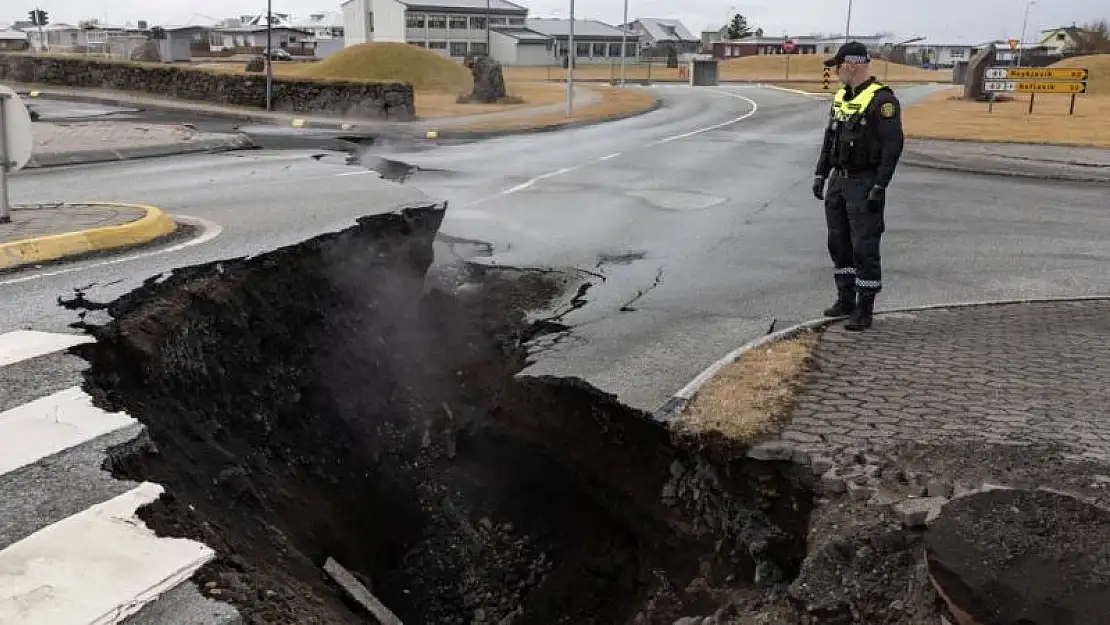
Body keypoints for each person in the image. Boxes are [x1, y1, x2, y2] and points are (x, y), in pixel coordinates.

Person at [812, 41, 905, 331]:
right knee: (838, 244)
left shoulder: (882, 101)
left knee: (864, 245)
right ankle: (845, 299)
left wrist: (880, 185)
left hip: (864, 181)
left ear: (851, 65)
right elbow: (831, 139)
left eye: (838, 66)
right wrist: (820, 173)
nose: (837, 71)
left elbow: (893, 146)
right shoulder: (842, 97)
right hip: (839, 181)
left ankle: (864, 308)